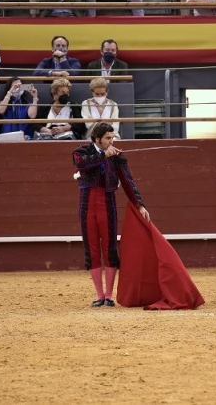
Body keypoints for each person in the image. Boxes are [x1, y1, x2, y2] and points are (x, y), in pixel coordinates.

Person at [72, 122, 150, 307]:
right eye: (107, 138)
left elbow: (128, 181)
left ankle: (109, 295)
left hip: (107, 203)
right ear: (97, 138)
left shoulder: (117, 157)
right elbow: (82, 164)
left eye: (112, 137)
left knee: (109, 247)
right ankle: (99, 295)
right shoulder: (81, 152)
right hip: (87, 205)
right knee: (92, 249)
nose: (111, 141)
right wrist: (101, 156)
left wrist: (139, 204)